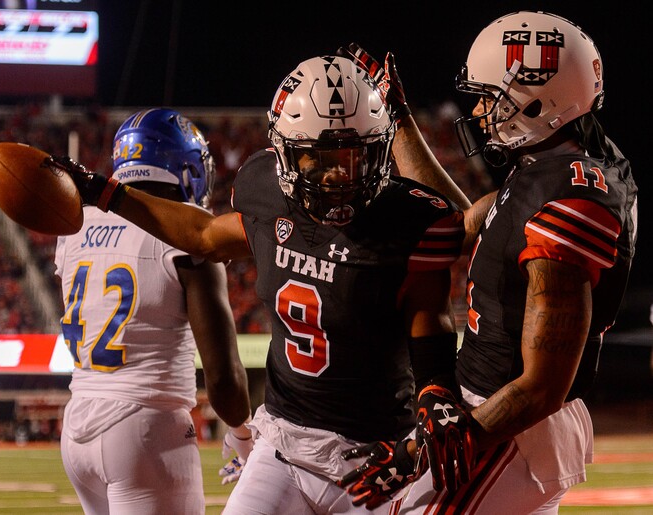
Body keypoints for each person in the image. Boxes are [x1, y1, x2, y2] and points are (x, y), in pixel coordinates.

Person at [50, 55, 472, 514]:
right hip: (284, 443)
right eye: (318, 157)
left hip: (373, 451)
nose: (338, 175)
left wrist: (437, 390)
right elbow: (203, 236)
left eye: (355, 156)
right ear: (285, 151)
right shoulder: (264, 190)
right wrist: (105, 193)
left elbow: (431, 322)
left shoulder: (410, 220)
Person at [345, 9, 638, 513]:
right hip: (491, 407)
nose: (480, 114)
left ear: (539, 99)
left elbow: (541, 387)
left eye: (489, 99)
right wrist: (399, 120)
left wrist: (417, 452)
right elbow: (454, 221)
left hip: (512, 423)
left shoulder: (569, 197)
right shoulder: (553, 165)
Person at [54, 108, 253, 515]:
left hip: (77, 425)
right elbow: (222, 374)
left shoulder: (75, 226)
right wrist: (242, 434)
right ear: (184, 168)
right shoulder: (191, 231)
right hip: (146, 428)